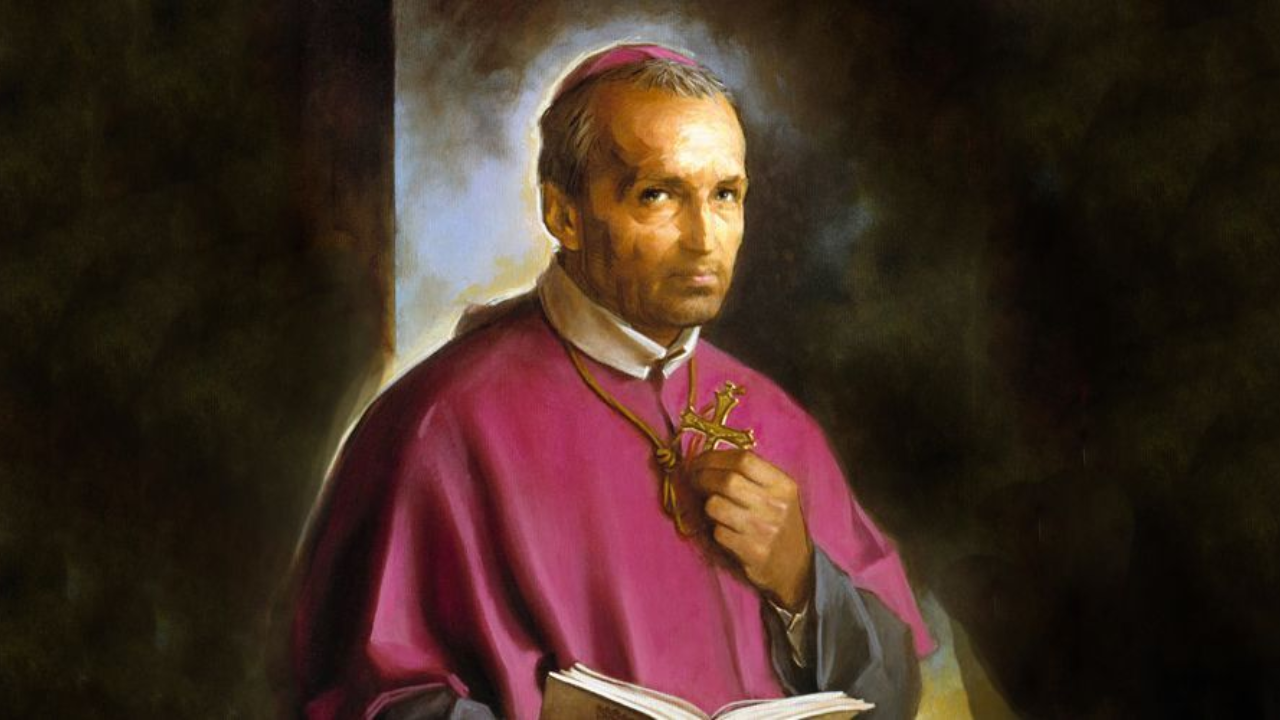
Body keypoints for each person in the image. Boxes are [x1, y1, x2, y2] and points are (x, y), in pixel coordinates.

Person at [291, 43, 934, 720]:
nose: (703, 238)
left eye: (725, 195)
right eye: (658, 195)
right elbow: (362, 699)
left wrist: (802, 583)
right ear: (563, 215)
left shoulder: (775, 420)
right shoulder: (440, 423)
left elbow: (891, 690)